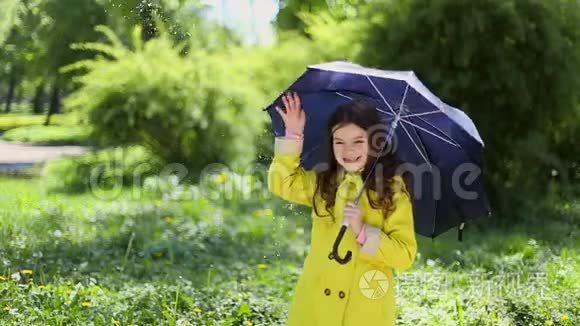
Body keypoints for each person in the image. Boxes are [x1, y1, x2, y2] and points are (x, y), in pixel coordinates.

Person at [268, 92, 418, 325]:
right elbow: (282, 183)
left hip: (364, 306)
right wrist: (294, 134)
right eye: (339, 141)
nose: (347, 150)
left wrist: (363, 231)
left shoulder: (392, 190)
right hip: (317, 300)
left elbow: (405, 255)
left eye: (358, 141)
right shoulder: (324, 181)